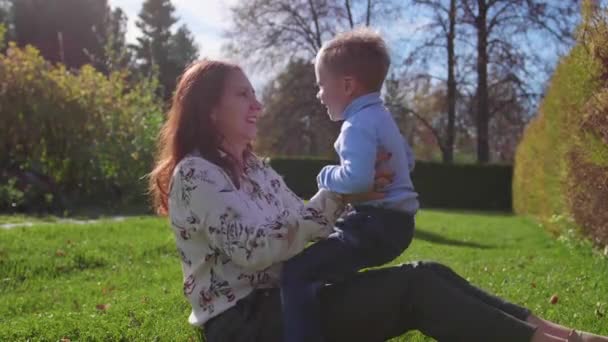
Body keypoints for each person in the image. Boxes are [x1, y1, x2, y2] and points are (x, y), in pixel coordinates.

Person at [148, 59, 608, 342]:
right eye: (243, 94)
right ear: (210, 109)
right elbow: (255, 248)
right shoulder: (196, 175)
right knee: (414, 291)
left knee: (427, 273)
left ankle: (559, 334)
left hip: (289, 302)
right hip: (244, 325)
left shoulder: (257, 170)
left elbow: (300, 221)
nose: (258, 105)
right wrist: (340, 193)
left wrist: (355, 193)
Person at [280, 28, 418, 342]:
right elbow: (407, 160)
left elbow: (355, 179)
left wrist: (326, 175)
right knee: (326, 270)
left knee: (296, 272)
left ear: (346, 85)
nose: (318, 94)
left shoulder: (356, 126)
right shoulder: (383, 117)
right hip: (397, 224)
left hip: (373, 225)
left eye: (320, 84)